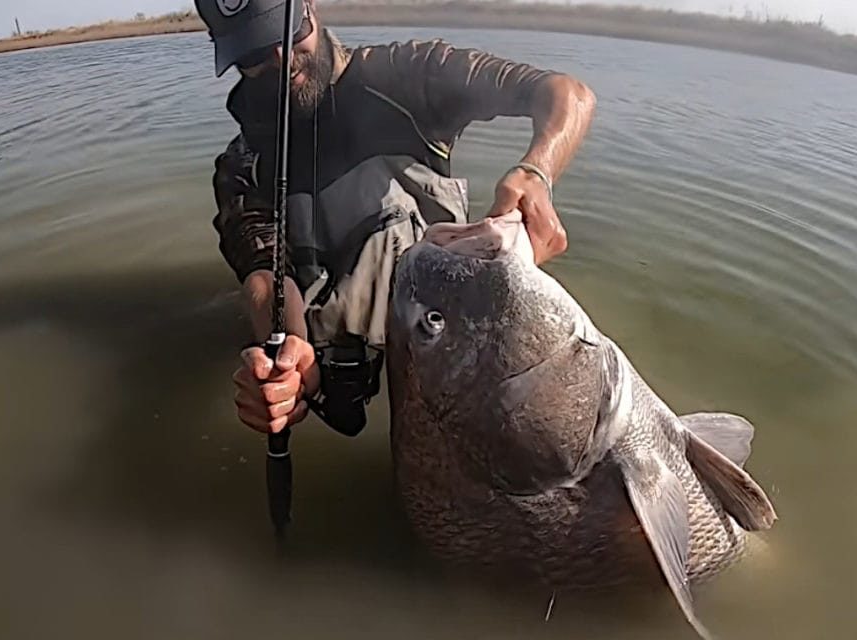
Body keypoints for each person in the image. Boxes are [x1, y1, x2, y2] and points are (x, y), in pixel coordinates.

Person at [194, 0, 596, 435]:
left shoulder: (409, 74)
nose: (282, 58)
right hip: (335, 343)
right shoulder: (241, 164)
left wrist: (537, 171)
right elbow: (263, 273)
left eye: (290, 30)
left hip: (451, 315)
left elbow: (565, 93)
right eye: (254, 53)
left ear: (309, 6)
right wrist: (288, 362)